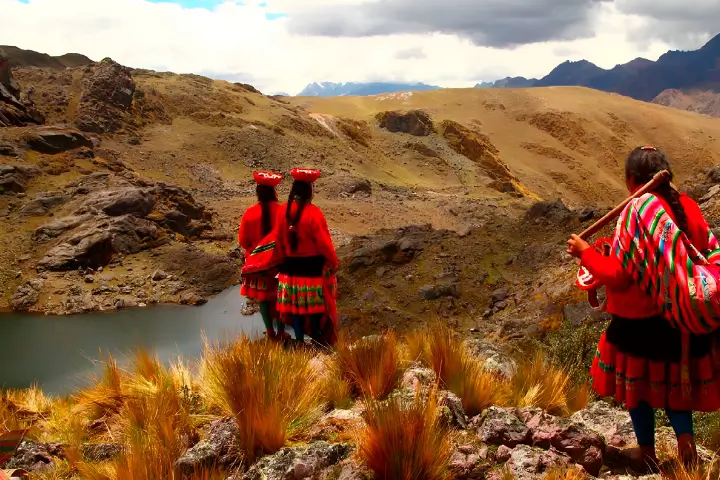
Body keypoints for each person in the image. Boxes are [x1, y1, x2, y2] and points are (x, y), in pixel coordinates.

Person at [566, 146, 720, 473]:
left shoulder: (636, 212)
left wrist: (585, 253)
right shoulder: (688, 207)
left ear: (631, 180)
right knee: (676, 386)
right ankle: (685, 443)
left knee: (640, 393)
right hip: (680, 321)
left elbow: (617, 277)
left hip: (637, 324)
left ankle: (647, 454)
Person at [276, 168, 340, 347]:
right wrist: (333, 262)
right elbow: (324, 244)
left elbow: (278, 240)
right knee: (316, 309)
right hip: (311, 272)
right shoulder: (314, 213)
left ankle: (298, 339)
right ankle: (319, 338)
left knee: (295, 309)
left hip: (289, 270)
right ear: (309, 190)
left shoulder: (282, 211)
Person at [239, 171, 287, 341]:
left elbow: (243, 241)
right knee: (280, 297)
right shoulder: (282, 211)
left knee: (264, 300)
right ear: (274, 191)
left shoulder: (249, 213)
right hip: (280, 264)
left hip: (257, 266)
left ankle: (270, 332)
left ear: (258, 192)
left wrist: (257, 252)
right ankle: (281, 331)